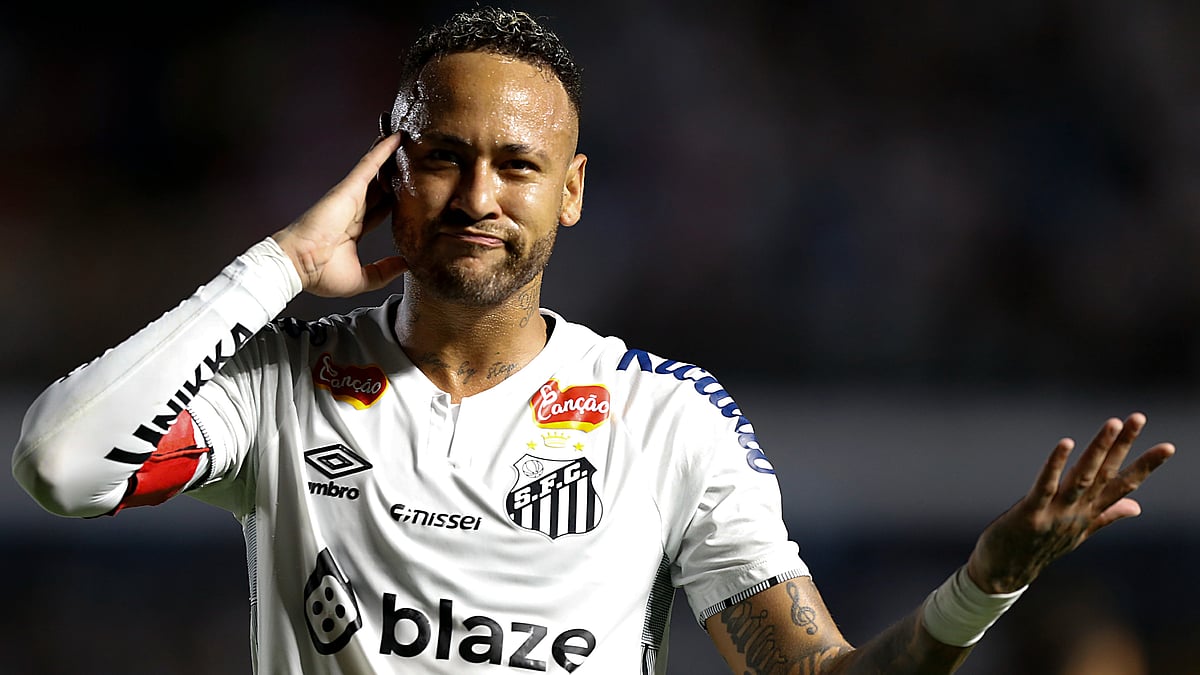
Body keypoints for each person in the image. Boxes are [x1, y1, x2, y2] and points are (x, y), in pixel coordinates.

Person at [11, 6, 1175, 674]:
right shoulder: (284, 387)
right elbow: (62, 464)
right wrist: (272, 270)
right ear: (387, 172)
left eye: (517, 166)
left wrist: (982, 589)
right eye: (442, 157)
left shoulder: (666, 420)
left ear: (571, 192)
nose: (478, 194)